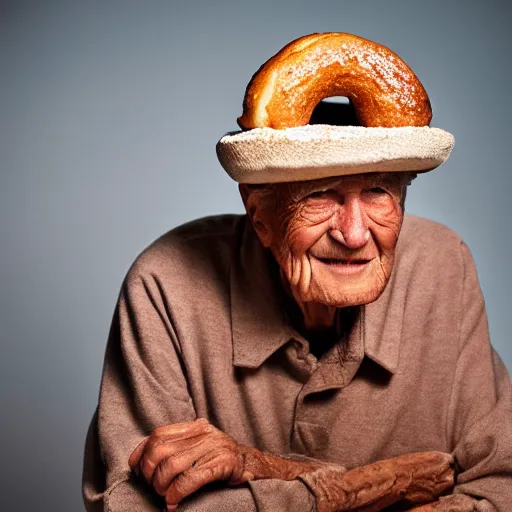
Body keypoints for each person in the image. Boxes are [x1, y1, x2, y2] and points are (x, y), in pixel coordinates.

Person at [82, 35, 512, 512]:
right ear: (260, 214)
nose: (353, 233)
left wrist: (259, 468)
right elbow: (128, 504)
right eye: (320, 196)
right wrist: (361, 489)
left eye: (377, 192)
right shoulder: (167, 284)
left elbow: (501, 488)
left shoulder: (444, 267)